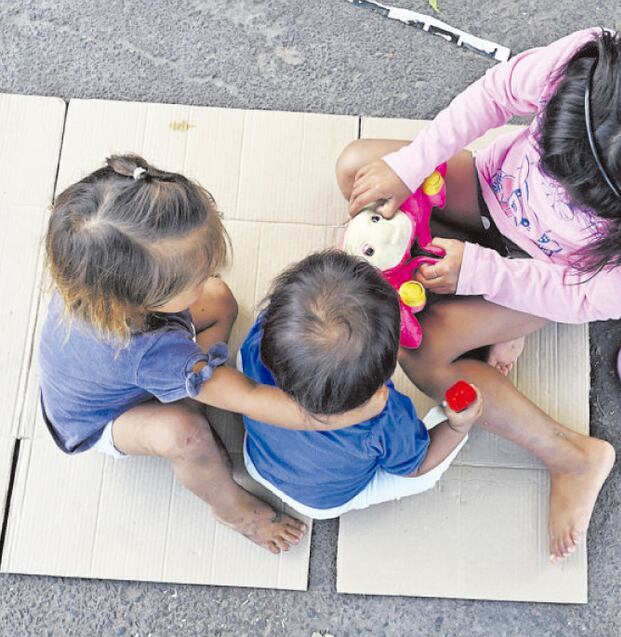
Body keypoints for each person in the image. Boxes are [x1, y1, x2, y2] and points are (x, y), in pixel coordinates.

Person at [336, 28, 621, 561]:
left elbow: (584, 299)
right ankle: (487, 319)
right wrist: (410, 165)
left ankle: (573, 456)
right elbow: (493, 94)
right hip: (490, 192)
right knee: (358, 169)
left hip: (544, 276)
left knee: (421, 350)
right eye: (550, 158)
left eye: (579, 200)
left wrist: (485, 274)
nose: (554, 190)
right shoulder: (583, 63)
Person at [40, 154, 385, 554]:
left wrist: (194, 297)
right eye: (197, 275)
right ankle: (234, 511)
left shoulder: (90, 271)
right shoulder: (152, 354)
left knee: (220, 299)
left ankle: (192, 386)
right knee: (185, 435)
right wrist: (346, 414)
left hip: (121, 368)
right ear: (138, 297)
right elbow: (253, 399)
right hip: (99, 420)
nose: (213, 272)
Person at [239, 249, 483, 518]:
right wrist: (456, 426)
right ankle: (456, 426)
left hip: (257, 461)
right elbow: (416, 465)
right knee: (425, 472)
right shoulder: (383, 416)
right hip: (321, 502)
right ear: (388, 364)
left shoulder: (257, 342)